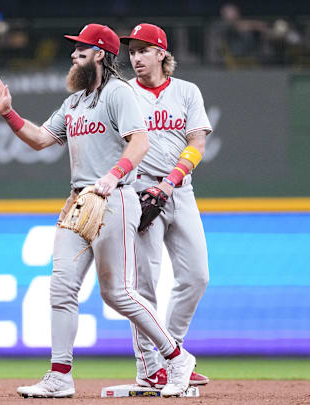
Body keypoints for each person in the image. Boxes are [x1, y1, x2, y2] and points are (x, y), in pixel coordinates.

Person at [0, 24, 197, 398]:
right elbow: (40, 140)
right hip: (79, 201)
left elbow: (141, 142)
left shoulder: (119, 93)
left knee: (117, 292)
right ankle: (60, 375)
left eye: (81, 49)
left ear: (100, 54)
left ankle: (177, 358)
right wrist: (8, 113)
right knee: (61, 287)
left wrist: (114, 175)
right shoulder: (74, 102)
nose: (73, 54)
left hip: (115, 198)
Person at [119, 23, 212, 390]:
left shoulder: (187, 92)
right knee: (144, 285)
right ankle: (151, 368)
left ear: (161, 53)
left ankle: (173, 354)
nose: (136, 57)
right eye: (131, 51)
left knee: (196, 277)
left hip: (179, 189)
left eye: (143, 50)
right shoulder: (123, 93)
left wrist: (170, 183)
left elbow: (197, 143)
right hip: (140, 192)